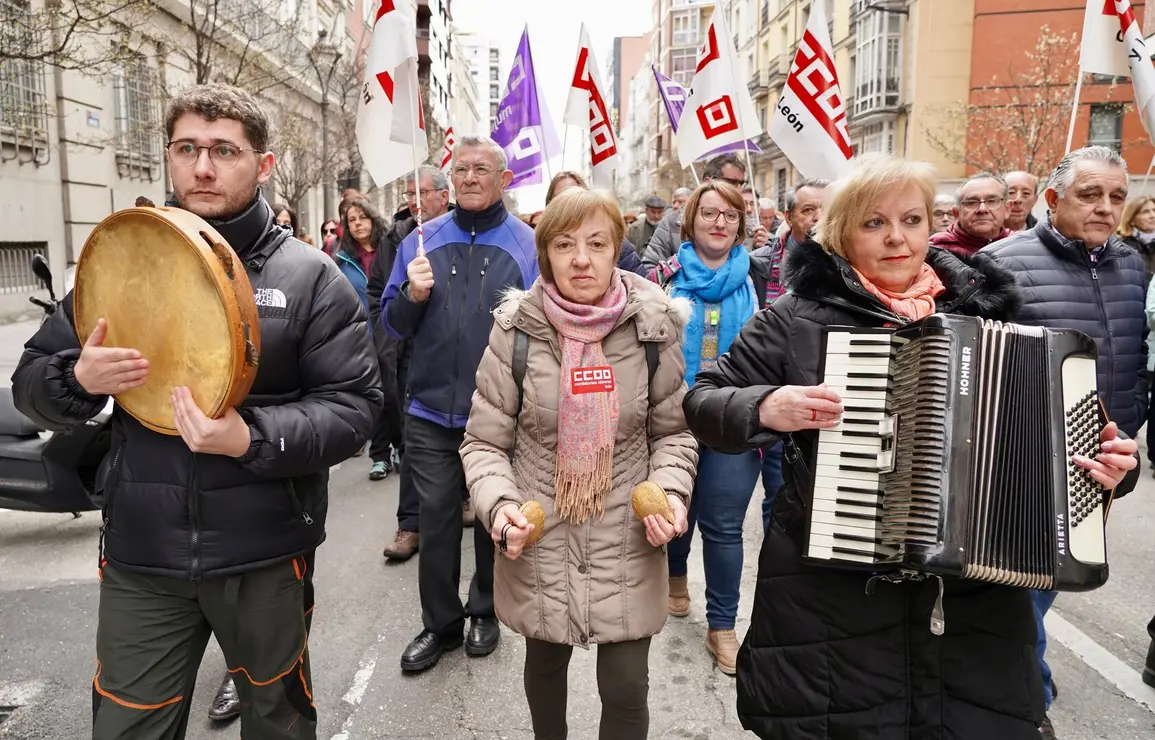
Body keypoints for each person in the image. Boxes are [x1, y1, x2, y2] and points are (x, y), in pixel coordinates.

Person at [682, 153, 1139, 740]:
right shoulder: (795, 317)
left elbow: (1071, 444)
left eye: (913, 219)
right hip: (832, 599)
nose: (897, 237)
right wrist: (765, 406)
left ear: (931, 223)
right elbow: (705, 401)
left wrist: (1110, 469)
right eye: (874, 223)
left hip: (976, 601)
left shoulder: (993, 314)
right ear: (842, 232)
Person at [11, 83, 382, 740]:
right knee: (127, 727)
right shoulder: (124, 257)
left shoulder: (309, 277)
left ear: (262, 165)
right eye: (186, 148)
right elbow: (31, 385)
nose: (202, 167)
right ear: (170, 156)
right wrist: (78, 375)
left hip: (265, 552)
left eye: (223, 150)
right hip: (141, 554)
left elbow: (353, 412)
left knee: (277, 723)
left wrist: (250, 437)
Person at [460, 187, 698, 740]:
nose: (582, 259)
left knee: (625, 683)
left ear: (618, 249)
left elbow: (675, 433)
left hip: (628, 533)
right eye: (565, 245)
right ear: (546, 255)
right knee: (544, 668)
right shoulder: (516, 329)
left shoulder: (654, 328)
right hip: (540, 533)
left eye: (597, 242)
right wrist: (499, 509)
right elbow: (484, 442)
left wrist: (669, 493)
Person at [984, 146, 1147, 740]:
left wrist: (1130, 423)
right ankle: (1029, 704)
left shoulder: (1132, 264)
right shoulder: (998, 262)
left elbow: (1136, 359)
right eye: (1090, 195)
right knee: (1019, 596)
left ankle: (1022, 691)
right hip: (1021, 464)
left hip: (1100, 464)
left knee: (1050, 587)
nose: (1106, 208)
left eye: (1116, 197)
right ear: (1052, 200)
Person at [383, 134, 538, 672]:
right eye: (462, 170)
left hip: (498, 415)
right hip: (428, 411)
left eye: (481, 169)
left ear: (504, 180)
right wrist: (412, 295)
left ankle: (485, 610)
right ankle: (440, 624)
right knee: (438, 517)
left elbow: (545, 331)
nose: (470, 178)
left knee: (495, 517)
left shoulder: (527, 245)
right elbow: (391, 324)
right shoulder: (420, 241)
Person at [646, 181, 771, 675]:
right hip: (673, 417)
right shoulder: (661, 277)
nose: (719, 223)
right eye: (709, 214)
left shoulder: (758, 276)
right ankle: (675, 575)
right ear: (690, 220)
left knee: (723, 525)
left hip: (734, 415)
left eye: (730, 216)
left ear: (741, 225)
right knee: (677, 511)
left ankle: (722, 626)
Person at [370, 165, 458, 561]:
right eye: (409, 194)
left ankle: (467, 497)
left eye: (421, 194)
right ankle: (410, 523)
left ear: (444, 195)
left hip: (454, 354)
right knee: (412, 440)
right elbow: (378, 292)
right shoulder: (396, 238)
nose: (413, 202)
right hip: (405, 352)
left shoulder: (464, 233)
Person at [333, 197, 403, 483]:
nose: (358, 223)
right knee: (375, 397)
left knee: (395, 395)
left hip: (392, 332)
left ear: (373, 218)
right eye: (352, 220)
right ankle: (380, 456)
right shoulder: (342, 260)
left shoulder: (391, 249)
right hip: (360, 337)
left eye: (363, 217)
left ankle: (400, 446)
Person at [641, 155, 769, 269]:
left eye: (741, 183)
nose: (738, 189)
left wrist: (760, 251)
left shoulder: (750, 224)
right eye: (732, 182)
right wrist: (680, 271)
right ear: (709, 182)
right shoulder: (672, 223)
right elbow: (649, 270)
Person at [546, 171, 646, 275]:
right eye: (564, 245)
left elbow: (642, 285)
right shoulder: (541, 247)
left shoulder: (616, 241)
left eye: (597, 244)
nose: (581, 261)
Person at [929, 172, 1011, 257]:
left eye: (991, 201)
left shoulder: (1020, 244)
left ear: (1007, 209)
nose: (982, 209)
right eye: (971, 203)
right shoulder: (935, 249)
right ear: (956, 213)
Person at [1116, 195, 1155, 280]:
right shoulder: (1121, 247)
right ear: (1132, 219)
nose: (1152, 215)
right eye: (1145, 212)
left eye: (1154, 210)